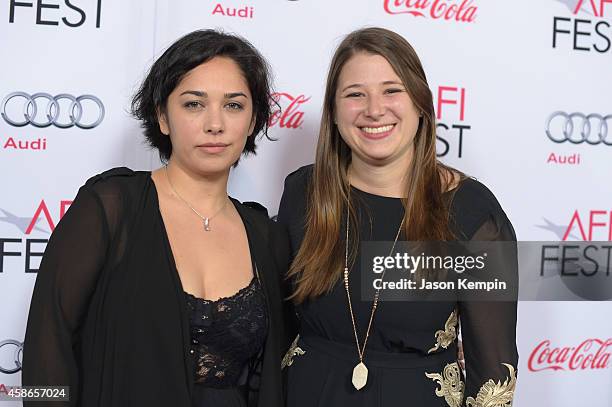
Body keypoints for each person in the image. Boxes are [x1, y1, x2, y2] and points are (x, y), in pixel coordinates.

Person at [22, 29, 292, 407]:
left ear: (252, 121)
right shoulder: (111, 207)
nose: (215, 123)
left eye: (233, 105)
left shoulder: (266, 237)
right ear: (162, 116)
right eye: (193, 104)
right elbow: (45, 345)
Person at [277, 27, 518, 407]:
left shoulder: (473, 212)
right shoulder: (303, 192)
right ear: (335, 111)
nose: (374, 109)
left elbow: (493, 375)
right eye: (355, 94)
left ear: (420, 103)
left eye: (392, 90)